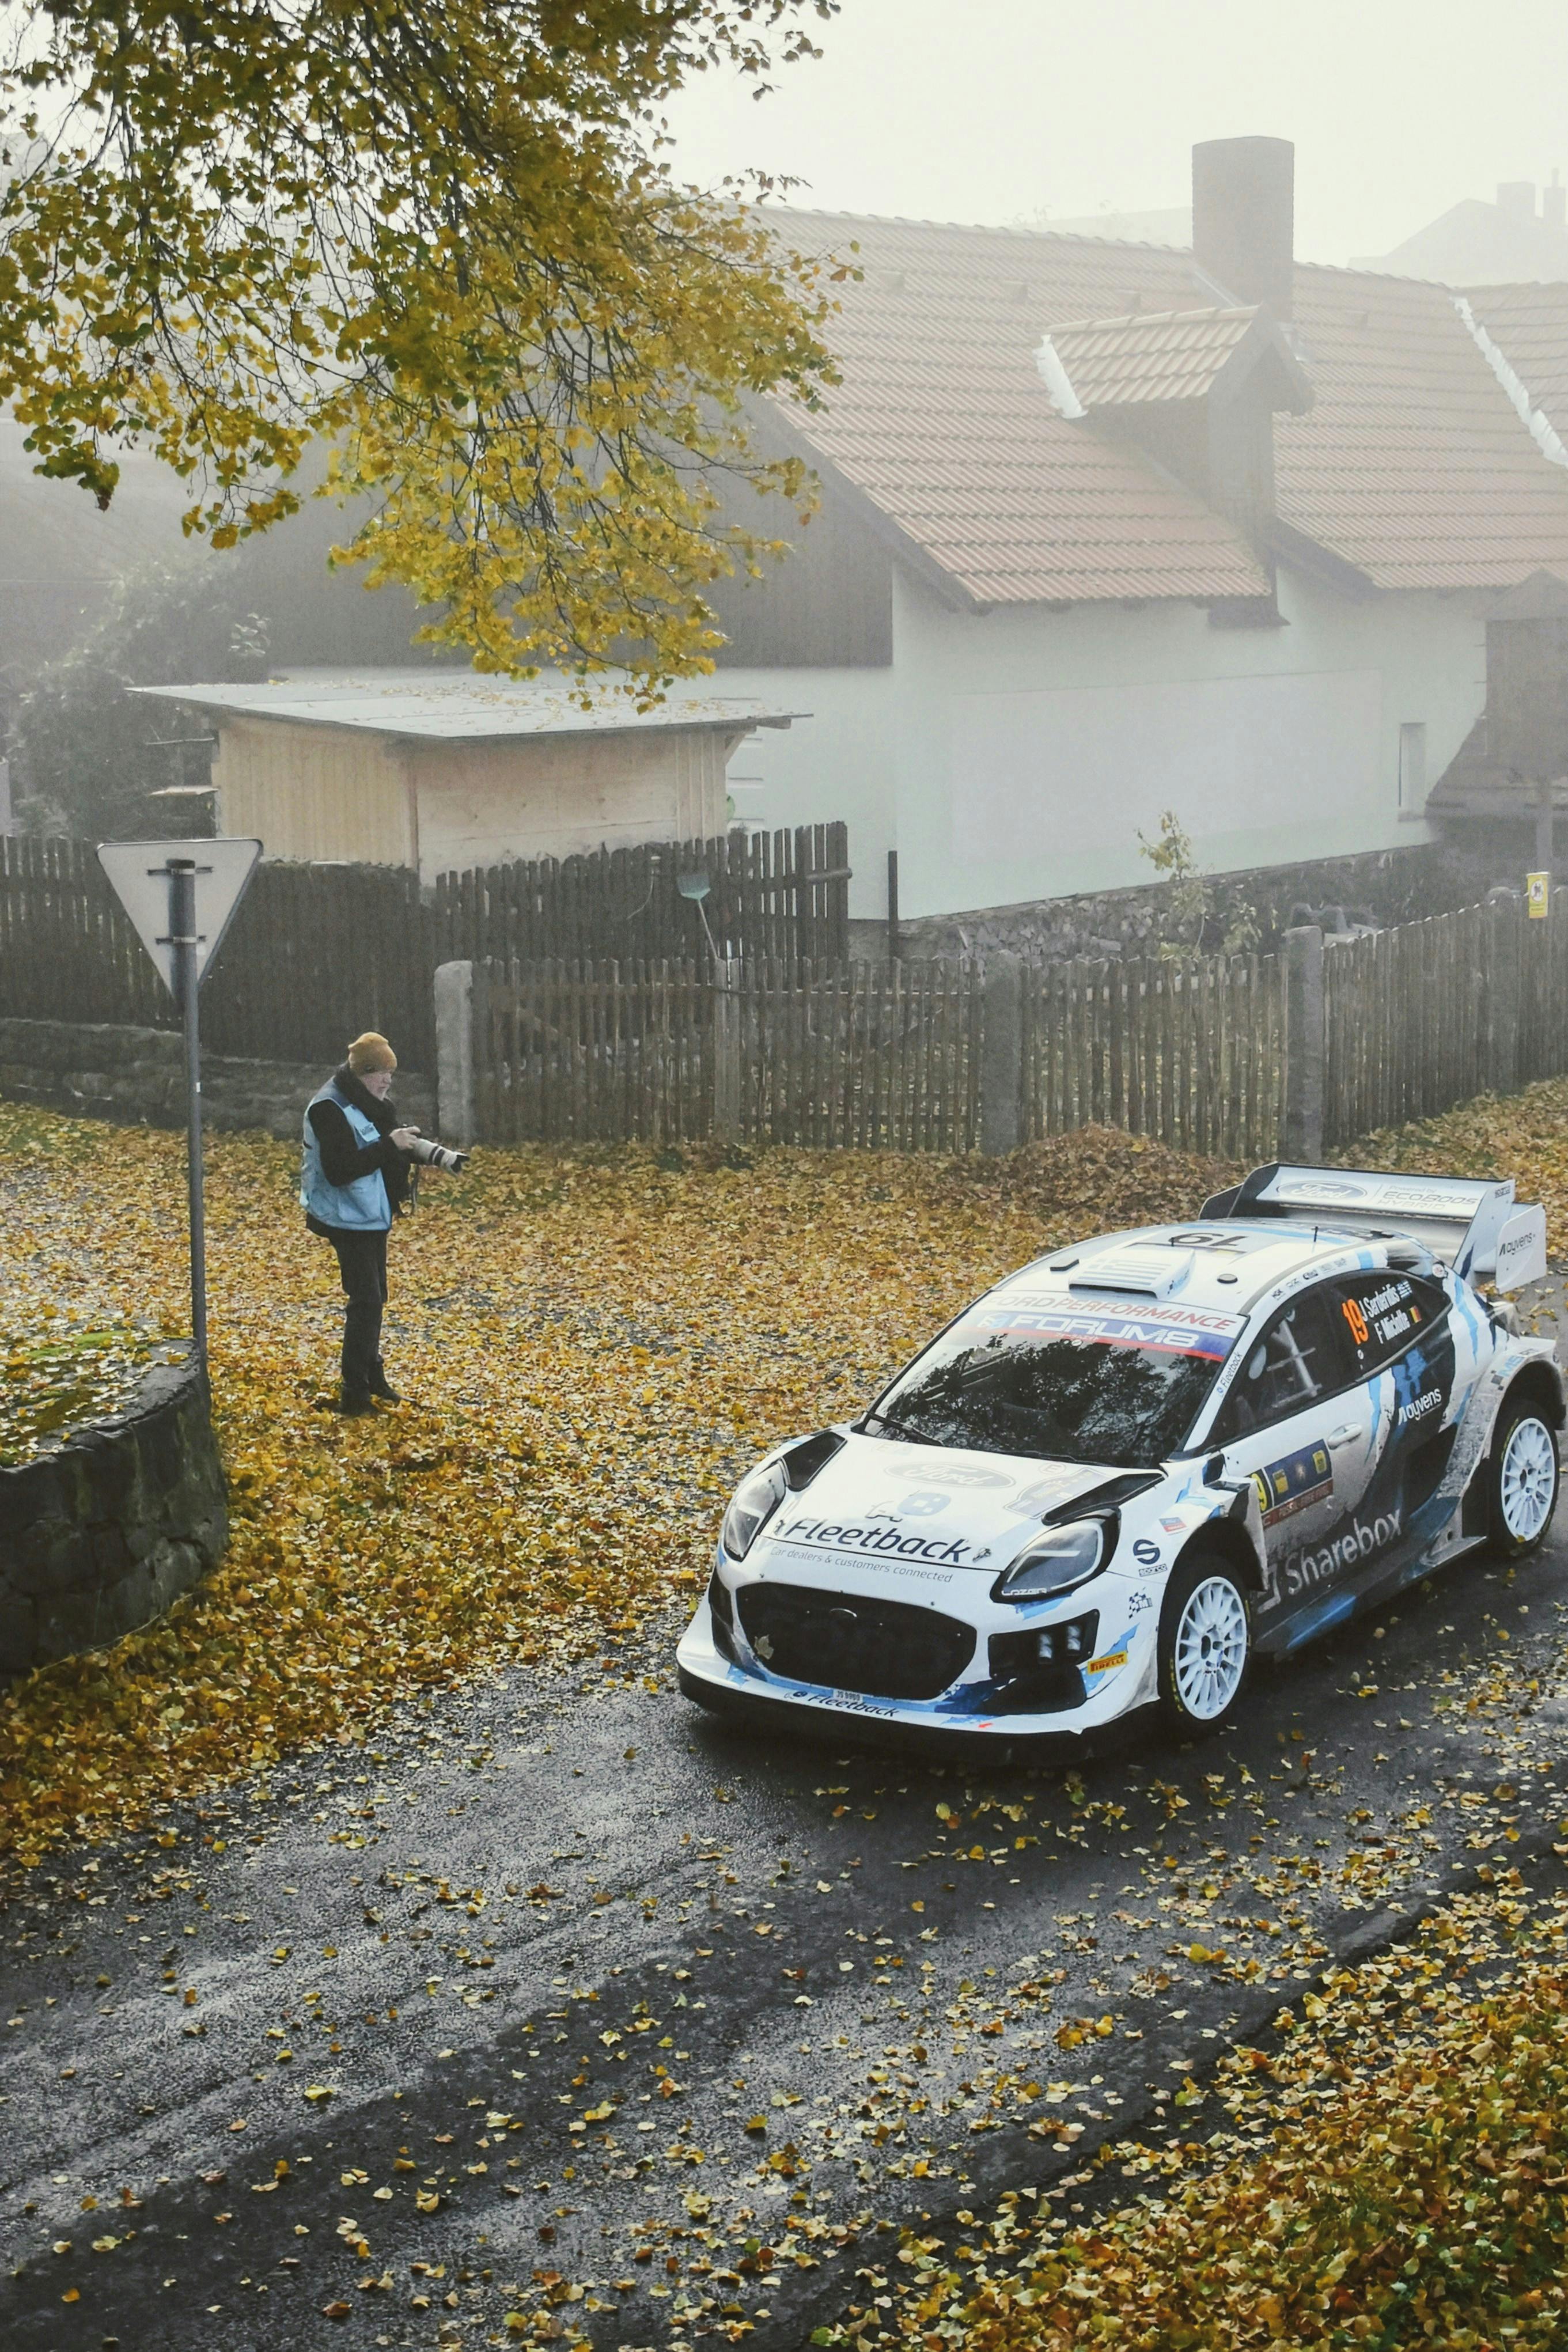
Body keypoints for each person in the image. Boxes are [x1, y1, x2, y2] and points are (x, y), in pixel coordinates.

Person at [300, 1032, 466, 1415]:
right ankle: (354, 1394)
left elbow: (387, 1146)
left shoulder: (371, 1103)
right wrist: (391, 1145)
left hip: (371, 1216)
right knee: (366, 1301)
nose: (388, 1080)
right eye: (381, 1074)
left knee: (376, 1298)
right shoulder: (328, 1108)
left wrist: (436, 1155)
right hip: (344, 1217)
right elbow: (342, 1170)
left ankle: (373, 1379)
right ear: (363, 1073)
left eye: (391, 1072)